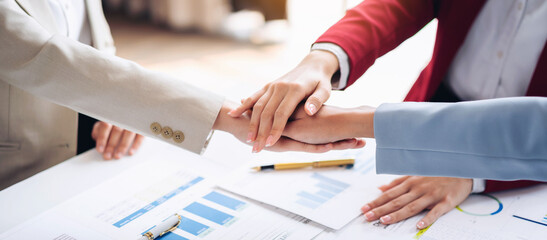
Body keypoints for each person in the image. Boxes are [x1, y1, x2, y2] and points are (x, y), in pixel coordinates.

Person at [229, 0, 547, 229]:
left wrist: (471, 168)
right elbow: (399, 5)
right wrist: (322, 59)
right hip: (432, 107)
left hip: (521, 172)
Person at [0, 0, 363, 190]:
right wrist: (235, 118)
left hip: (93, 142)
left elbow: (85, 38)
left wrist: (121, 108)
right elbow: (45, 59)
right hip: (20, 166)